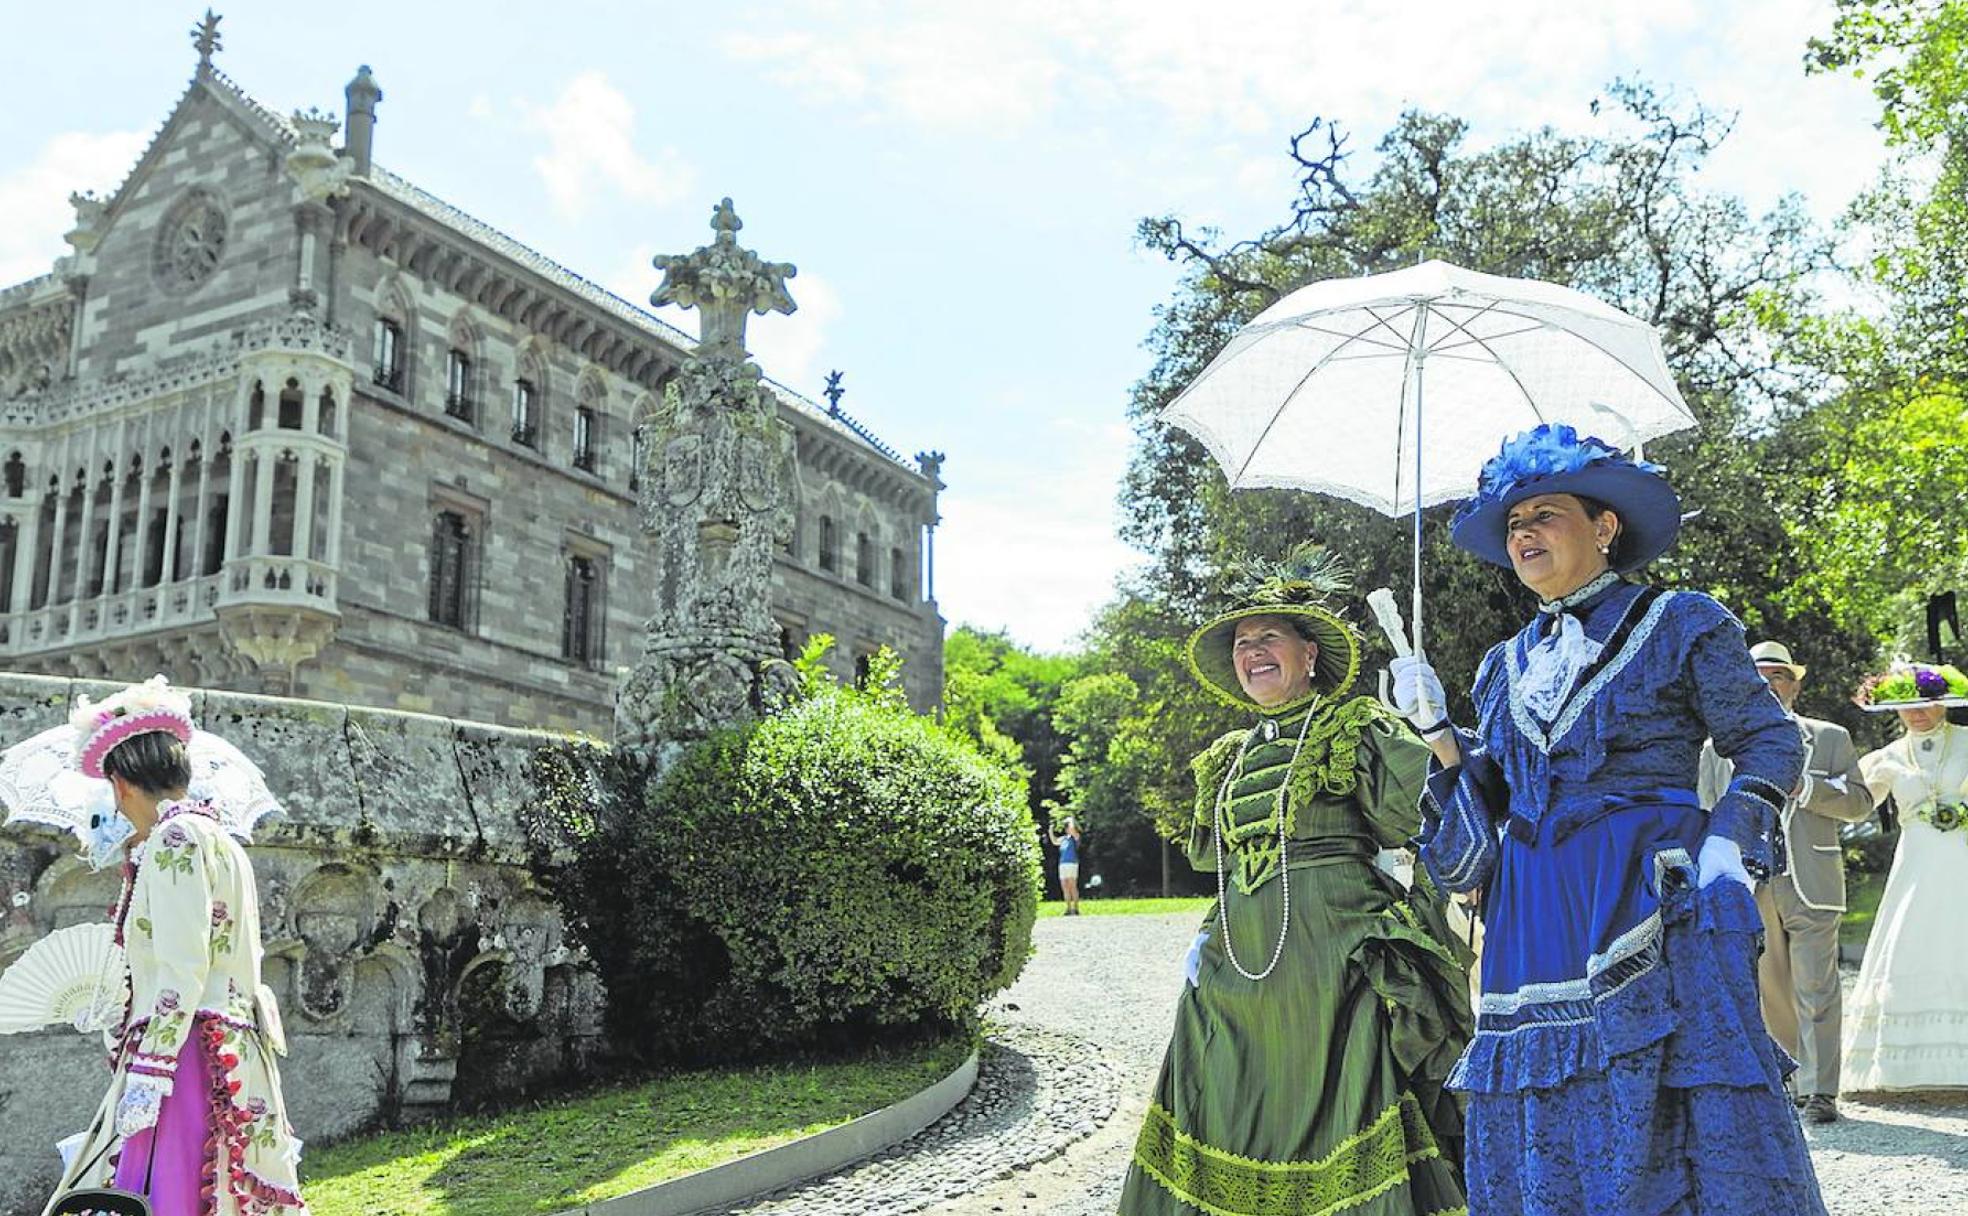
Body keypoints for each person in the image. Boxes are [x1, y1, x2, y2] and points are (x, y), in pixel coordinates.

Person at [1392, 425, 1826, 1215]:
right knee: (1542, 1095)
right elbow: (1481, 817)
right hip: (1535, 915)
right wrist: (1439, 736)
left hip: (1647, 894)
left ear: (1604, 527)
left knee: (1665, 1084)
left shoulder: (1681, 621)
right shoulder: (1501, 664)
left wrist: (1732, 841)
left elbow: (1765, 739)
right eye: (1514, 524)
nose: (1524, 533)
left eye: (1545, 515)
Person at [1118, 552, 1473, 1216]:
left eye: (1267, 638)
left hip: (1337, 970)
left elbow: (1430, 809)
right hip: (1233, 977)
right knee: (1224, 1109)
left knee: (1346, 1116)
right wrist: (1208, 938)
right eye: (1241, 644)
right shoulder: (1228, 757)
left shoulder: (1354, 728)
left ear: (1308, 654)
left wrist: (1432, 729)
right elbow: (1222, 864)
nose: (1251, 652)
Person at [41, 679, 307, 1216]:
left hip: (186, 1053)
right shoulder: (220, 838)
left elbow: (185, 965)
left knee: (173, 1191)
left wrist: (153, 1064)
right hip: (225, 1046)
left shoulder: (174, 839)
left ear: (119, 785)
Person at [1698, 641, 1874, 1124]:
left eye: (1778, 675)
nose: (1769, 683)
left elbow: (1861, 802)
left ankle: (1821, 1092)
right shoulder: (1718, 748)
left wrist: (1808, 787)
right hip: (1751, 881)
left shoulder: (1830, 737)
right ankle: (1790, 1080)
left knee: (1818, 985)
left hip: (1812, 877)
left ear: (1795, 684)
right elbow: (1706, 811)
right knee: (1768, 983)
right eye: (1759, 674)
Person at [1842, 659, 1968, 1091]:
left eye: (1927, 702)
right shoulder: (1887, 756)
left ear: (1945, 702)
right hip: (1916, 862)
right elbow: (1853, 806)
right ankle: (1905, 1067)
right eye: (1908, 705)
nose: (1918, 712)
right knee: (1912, 939)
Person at [1049, 815, 1084, 914]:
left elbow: (1073, 829)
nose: (1068, 829)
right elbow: (1054, 841)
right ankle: (1068, 908)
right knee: (1065, 886)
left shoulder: (1075, 837)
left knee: (1072, 885)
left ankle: (1076, 908)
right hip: (1062, 864)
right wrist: (1051, 831)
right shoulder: (1064, 839)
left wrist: (1071, 820)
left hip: (1072, 863)